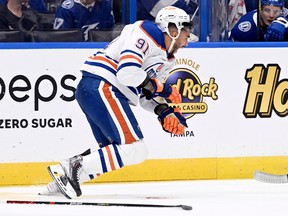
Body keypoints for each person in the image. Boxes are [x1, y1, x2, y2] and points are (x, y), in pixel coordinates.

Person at [45, 6, 190, 199]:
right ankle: (73, 167)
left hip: (98, 89)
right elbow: (127, 72)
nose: (189, 36)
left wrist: (164, 111)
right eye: (186, 29)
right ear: (174, 30)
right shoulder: (147, 32)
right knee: (136, 149)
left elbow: (145, 94)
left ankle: (64, 180)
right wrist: (163, 89)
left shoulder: (167, 60)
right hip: (103, 86)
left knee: (115, 151)